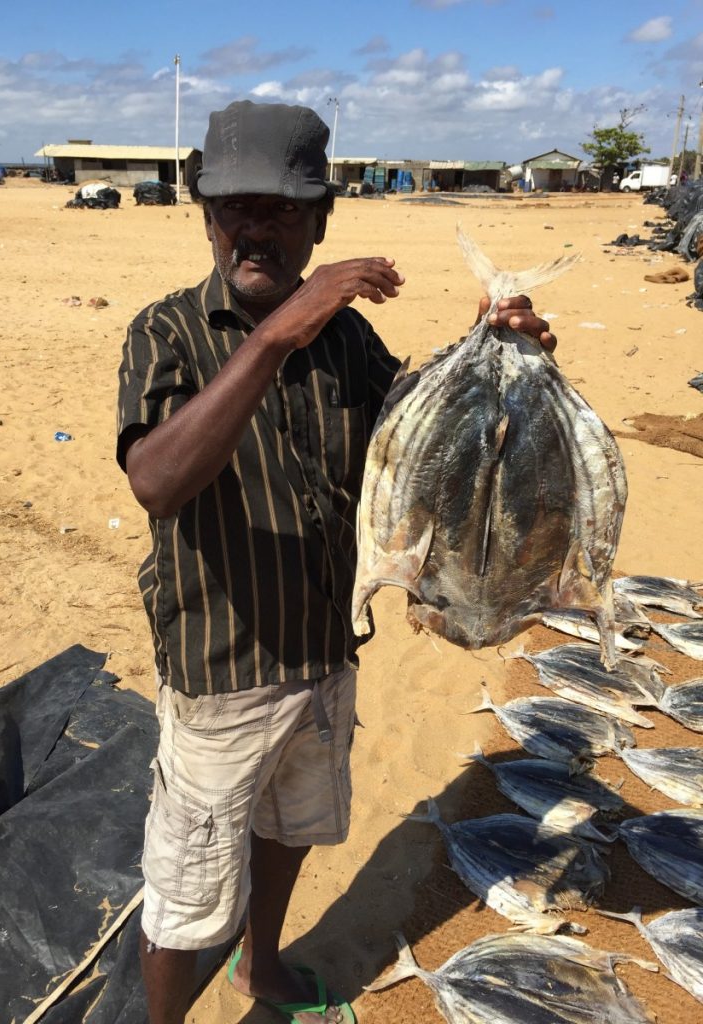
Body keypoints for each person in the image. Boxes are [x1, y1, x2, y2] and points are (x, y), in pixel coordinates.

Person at [116, 100, 557, 1024]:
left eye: (282, 209)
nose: (255, 226)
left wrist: (490, 355)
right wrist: (280, 334)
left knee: (291, 829)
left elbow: (413, 433)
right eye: (234, 205)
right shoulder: (168, 334)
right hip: (222, 666)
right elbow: (156, 480)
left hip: (324, 651)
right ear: (204, 214)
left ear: (319, 223)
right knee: (189, 891)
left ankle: (262, 963)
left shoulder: (350, 341)